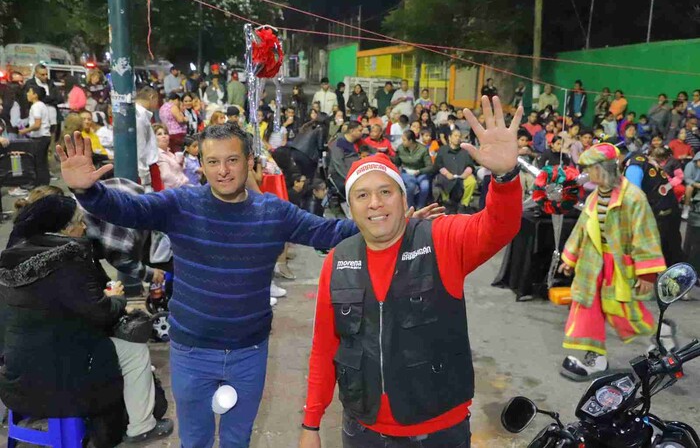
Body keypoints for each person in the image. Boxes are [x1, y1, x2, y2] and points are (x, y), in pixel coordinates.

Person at [59, 124, 441, 448]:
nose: (223, 170)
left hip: (249, 353)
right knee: (194, 441)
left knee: (238, 441)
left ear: (249, 163)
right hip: (192, 351)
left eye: (232, 160)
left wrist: (392, 225)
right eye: (212, 162)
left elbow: (329, 232)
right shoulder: (181, 204)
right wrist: (88, 192)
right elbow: (127, 210)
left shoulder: (272, 212)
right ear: (201, 166)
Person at [299, 96, 523, 448]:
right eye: (362, 196)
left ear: (404, 200)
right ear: (349, 207)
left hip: (436, 431)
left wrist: (505, 177)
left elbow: (499, 227)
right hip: (363, 430)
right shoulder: (338, 261)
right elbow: (324, 347)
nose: (375, 203)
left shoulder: (441, 240)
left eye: (385, 192)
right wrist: (311, 424)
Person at [0, 195, 173, 446]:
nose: (85, 228)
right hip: (62, 381)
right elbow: (101, 312)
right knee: (135, 353)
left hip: (16, 377)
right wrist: (117, 299)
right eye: (80, 222)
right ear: (64, 229)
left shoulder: (11, 257)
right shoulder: (68, 261)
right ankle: (142, 426)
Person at [559, 143, 668, 381]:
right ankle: (595, 360)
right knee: (588, 310)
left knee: (625, 313)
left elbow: (645, 235)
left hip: (619, 266)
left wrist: (647, 273)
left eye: (591, 169)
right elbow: (582, 230)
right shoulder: (593, 198)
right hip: (592, 265)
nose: (588, 174)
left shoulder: (633, 198)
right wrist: (570, 257)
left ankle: (658, 342)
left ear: (605, 169)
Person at [433, 128, 478, 213]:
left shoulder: (464, 151)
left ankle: (464, 204)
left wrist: (465, 174)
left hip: (462, 175)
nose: (458, 138)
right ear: (449, 137)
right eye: (455, 136)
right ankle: (446, 203)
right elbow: (438, 165)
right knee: (443, 180)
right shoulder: (442, 150)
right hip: (446, 175)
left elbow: (470, 165)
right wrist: (446, 173)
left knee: (471, 182)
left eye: (459, 136)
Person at [18, 84, 52, 185]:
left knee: (38, 163)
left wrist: (24, 131)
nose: (27, 94)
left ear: (35, 95)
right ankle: (45, 184)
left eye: (30, 92)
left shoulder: (36, 106)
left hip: (39, 138)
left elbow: (37, 124)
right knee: (43, 163)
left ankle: (39, 185)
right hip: (45, 136)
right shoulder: (42, 105)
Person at [134, 87, 163, 192]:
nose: (157, 105)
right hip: (146, 168)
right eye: (157, 101)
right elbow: (140, 148)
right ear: (152, 97)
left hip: (146, 167)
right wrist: (145, 178)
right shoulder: (139, 117)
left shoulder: (141, 115)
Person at [396, 129, 433, 209]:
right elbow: (397, 162)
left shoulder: (422, 149)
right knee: (411, 185)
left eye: (404, 140)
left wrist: (420, 171)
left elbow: (430, 166)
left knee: (425, 186)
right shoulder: (400, 148)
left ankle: (420, 206)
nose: (402, 142)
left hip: (420, 172)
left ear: (411, 141)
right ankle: (409, 207)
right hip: (406, 171)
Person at [328, 121, 363, 196]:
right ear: (352, 131)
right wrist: (350, 177)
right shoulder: (339, 142)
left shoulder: (356, 142)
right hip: (340, 175)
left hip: (354, 172)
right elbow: (338, 164)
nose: (361, 133)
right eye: (359, 131)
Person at [154, 124, 190, 189]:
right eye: (159, 134)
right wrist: (182, 186)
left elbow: (179, 171)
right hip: (173, 191)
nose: (164, 136)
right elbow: (166, 176)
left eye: (165, 133)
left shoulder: (170, 153)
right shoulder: (158, 155)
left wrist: (181, 163)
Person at [683, 152, 700, 220]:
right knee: (689, 188)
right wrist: (695, 184)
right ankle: (686, 208)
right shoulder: (690, 165)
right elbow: (687, 179)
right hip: (691, 183)